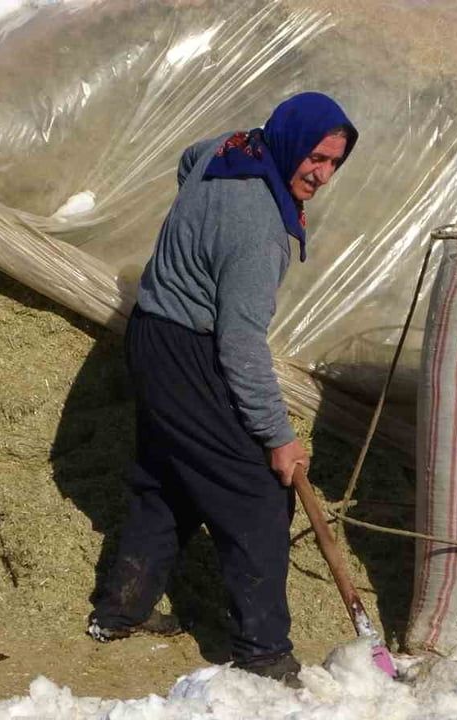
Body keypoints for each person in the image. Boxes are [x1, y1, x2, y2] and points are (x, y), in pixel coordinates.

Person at [86, 92, 358, 686]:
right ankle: (263, 653)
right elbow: (240, 347)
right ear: (290, 141)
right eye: (314, 157)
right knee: (257, 493)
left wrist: (194, 234)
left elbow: (187, 160)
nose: (322, 173)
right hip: (187, 350)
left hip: (150, 332)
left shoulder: (234, 149)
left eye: (334, 162)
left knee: (170, 480)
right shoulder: (260, 233)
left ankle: (120, 610)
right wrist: (278, 437)